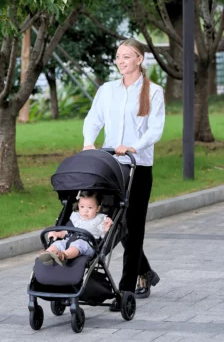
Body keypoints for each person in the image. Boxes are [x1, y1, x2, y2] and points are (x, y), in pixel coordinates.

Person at [83, 38, 165, 301]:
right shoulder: (107, 90)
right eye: (118, 56)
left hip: (138, 166)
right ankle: (146, 270)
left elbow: (155, 130)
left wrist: (133, 146)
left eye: (126, 56)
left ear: (139, 59)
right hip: (110, 166)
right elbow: (93, 119)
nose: (120, 61)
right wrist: (88, 142)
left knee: (134, 225)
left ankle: (129, 283)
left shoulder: (154, 92)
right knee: (110, 223)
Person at [38, 190, 113, 266]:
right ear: (78, 205)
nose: (85, 211)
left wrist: (106, 229)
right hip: (70, 240)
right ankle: (48, 254)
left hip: (88, 245)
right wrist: (57, 234)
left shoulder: (101, 219)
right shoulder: (75, 217)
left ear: (97, 208)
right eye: (82, 207)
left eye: (90, 207)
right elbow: (67, 231)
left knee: (77, 244)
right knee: (58, 243)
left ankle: (63, 256)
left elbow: (104, 237)